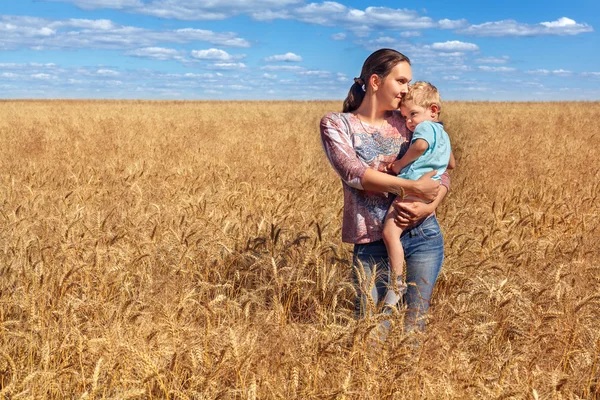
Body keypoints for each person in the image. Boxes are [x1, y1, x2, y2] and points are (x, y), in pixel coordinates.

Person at [319, 49, 451, 336]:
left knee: (413, 328)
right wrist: (412, 187)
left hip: (423, 235)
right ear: (376, 81)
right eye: (401, 81)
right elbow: (353, 174)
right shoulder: (337, 124)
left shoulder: (408, 121)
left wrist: (430, 207)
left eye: (409, 82)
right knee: (371, 329)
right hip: (371, 242)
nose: (407, 90)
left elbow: (441, 169)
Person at [381, 81, 455, 308]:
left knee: (390, 233)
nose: (409, 122)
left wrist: (400, 163)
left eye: (413, 114)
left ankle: (397, 282)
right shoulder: (443, 133)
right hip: (429, 191)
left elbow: (421, 146)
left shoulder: (424, 128)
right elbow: (451, 163)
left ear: (433, 110)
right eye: (404, 117)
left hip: (414, 185)